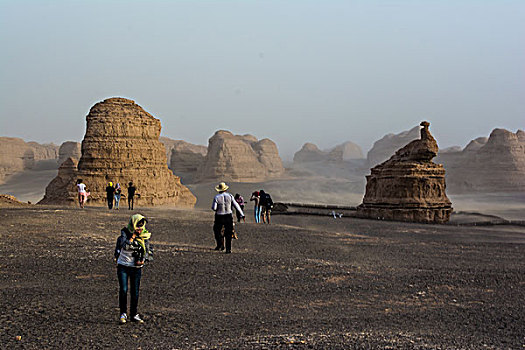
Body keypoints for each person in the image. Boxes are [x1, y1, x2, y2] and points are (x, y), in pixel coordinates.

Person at [114, 214, 153, 324]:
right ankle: (123, 313)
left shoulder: (145, 237)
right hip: (123, 267)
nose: (140, 229)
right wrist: (133, 236)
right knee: (124, 290)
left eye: (141, 226)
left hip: (136, 268)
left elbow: (149, 251)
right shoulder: (124, 234)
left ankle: (134, 314)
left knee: (135, 292)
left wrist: (143, 260)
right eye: (137, 226)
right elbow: (125, 246)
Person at [211, 182, 244, 254]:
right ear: (225, 189)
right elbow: (236, 206)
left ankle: (220, 245)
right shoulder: (230, 196)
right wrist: (242, 214)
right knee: (228, 232)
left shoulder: (217, 197)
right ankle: (228, 249)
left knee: (217, 230)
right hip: (228, 215)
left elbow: (214, 208)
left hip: (219, 216)